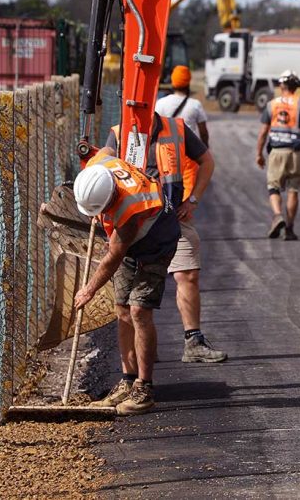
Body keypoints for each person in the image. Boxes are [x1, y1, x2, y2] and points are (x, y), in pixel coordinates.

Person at [107, 114, 226, 363]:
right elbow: (103, 165)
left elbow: (207, 161)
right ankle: (144, 352)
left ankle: (193, 342)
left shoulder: (176, 128)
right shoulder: (119, 133)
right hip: (134, 223)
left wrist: (193, 200)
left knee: (188, 274)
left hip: (173, 219)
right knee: (133, 297)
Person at [72, 149, 180, 415]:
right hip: (134, 244)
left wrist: (89, 290)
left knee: (139, 311)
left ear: (112, 197)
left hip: (157, 243)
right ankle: (128, 379)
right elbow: (107, 150)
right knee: (121, 308)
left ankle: (144, 388)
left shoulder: (129, 212)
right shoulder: (99, 166)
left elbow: (112, 257)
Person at [255, 70, 300, 240]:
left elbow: (263, 132)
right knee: (293, 191)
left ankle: (278, 215)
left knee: (273, 187)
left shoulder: (272, 105)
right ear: (296, 86)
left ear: (281, 85)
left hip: (277, 152)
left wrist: (259, 154)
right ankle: (289, 230)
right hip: (297, 153)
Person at [155, 65, 209, 146]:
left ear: (173, 82)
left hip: (167, 154)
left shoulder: (160, 103)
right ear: (188, 83)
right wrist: (205, 149)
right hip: (188, 154)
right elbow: (203, 133)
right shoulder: (195, 105)